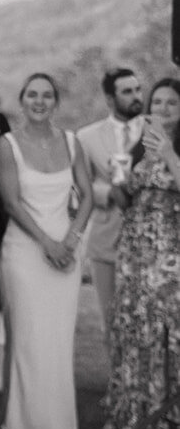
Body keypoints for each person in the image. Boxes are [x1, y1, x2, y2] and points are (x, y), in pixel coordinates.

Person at [0, 73, 93, 429]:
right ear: (22, 100)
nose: (39, 101)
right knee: (28, 337)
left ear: (56, 102)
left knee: (58, 337)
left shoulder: (72, 142)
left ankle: (61, 427)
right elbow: (11, 202)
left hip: (67, 249)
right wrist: (46, 243)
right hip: (24, 250)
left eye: (47, 95)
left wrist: (71, 238)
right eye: (32, 95)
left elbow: (86, 196)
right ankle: (23, 426)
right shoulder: (8, 145)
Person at [102, 77, 180, 429]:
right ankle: (130, 411)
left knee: (164, 331)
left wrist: (168, 154)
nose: (162, 109)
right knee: (133, 329)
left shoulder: (169, 148)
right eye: (158, 102)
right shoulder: (139, 147)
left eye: (171, 103)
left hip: (169, 254)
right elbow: (125, 201)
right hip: (134, 252)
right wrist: (117, 179)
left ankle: (166, 415)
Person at [77, 68, 145, 344]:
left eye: (138, 89)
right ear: (109, 98)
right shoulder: (87, 136)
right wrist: (107, 193)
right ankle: (118, 385)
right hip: (106, 238)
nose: (136, 96)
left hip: (149, 238)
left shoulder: (158, 130)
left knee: (147, 318)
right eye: (127, 92)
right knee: (112, 319)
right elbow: (77, 186)